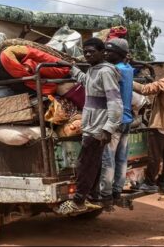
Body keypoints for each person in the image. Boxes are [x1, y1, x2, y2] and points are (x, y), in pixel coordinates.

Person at [57, 38, 123, 214]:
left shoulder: (106, 72)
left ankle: (78, 200)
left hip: (99, 128)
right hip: (92, 126)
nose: (87, 54)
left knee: (85, 164)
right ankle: (92, 196)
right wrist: (71, 67)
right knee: (93, 163)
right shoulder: (94, 70)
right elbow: (85, 81)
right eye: (85, 51)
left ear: (102, 52)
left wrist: (108, 128)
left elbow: (116, 103)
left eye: (91, 51)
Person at [99, 38, 134, 206]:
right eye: (104, 50)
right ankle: (117, 190)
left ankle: (105, 193)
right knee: (122, 158)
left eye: (109, 51)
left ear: (119, 54)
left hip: (115, 121)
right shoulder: (128, 69)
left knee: (108, 158)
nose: (105, 53)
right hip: (127, 119)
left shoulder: (113, 71)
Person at [0, 44, 70, 95]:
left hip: (7, 62)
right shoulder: (62, 70)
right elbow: (35, 65)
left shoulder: (61, 69)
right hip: (6, 61)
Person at [133, 76, 164, 193]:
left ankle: (149, 183)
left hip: (162, 125)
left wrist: (129, 80)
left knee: (154, 156)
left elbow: (146, 90)